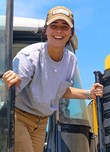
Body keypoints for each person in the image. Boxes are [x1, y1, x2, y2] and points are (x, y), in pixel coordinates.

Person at [3, 6, 103, 152]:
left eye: (64, 27)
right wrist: (13, 82)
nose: (58, 31)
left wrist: (89, 94)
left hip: (41, 123)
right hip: (19, 118)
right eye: (53, 26)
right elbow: (12, 89)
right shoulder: (30, 56)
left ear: (71, 32)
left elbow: (59, 91)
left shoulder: (71, 61)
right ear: (46, 30)